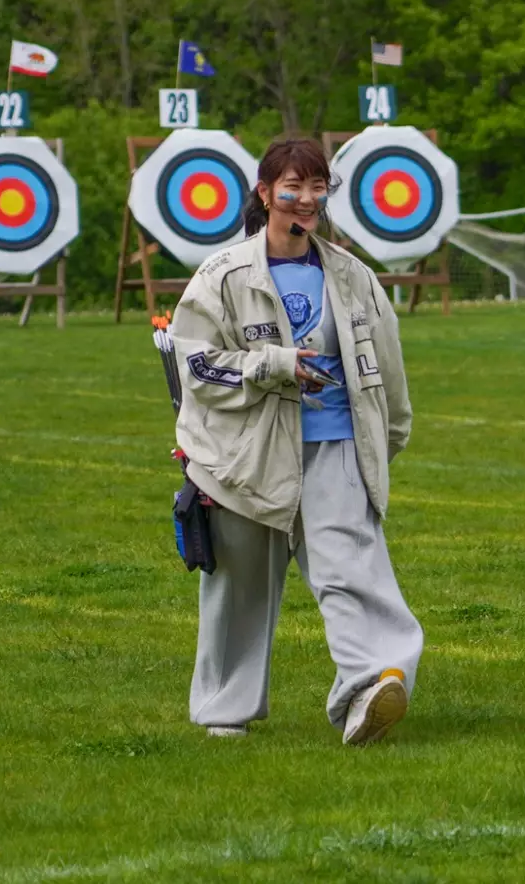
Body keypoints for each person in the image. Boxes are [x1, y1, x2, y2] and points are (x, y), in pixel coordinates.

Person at [170, 134, 421, 744]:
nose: (306, 199)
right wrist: (272, 365)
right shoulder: (222, 275)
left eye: (317, 186)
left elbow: (387, 367)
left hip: (334, 446)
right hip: (245, 456)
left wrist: (384, 440)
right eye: (293, 187)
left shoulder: (352, 275)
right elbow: (194, 364)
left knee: (354, 572)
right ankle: (225, 713)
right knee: (239, 586)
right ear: (265, 193)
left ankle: (370, 687)